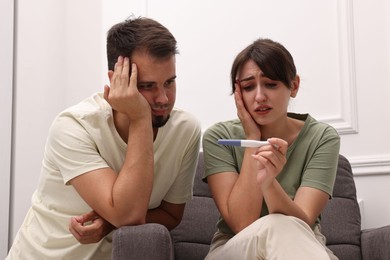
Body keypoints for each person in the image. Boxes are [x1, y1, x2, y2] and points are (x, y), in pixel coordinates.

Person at [7, 17, 201, 259]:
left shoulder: (186, 130)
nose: (163, 98)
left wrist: (109, 224)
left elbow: (171, 215)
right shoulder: (73, 127)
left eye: (169, 83)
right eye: (147, 86)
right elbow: (128, 216)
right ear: (117, 80)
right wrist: (140, 119)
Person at [202, 38, 340, 260]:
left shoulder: (321, 137)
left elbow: (301, 223)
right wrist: (252, 139)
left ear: (293, 86)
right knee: (275, 226)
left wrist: (268, 184)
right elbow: (241, 223)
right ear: (238, 94)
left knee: (281, 226)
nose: (259, 96)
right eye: (248, 87)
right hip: (234, 248)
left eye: (271, 84)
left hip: (301, 245)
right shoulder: (218, 137)